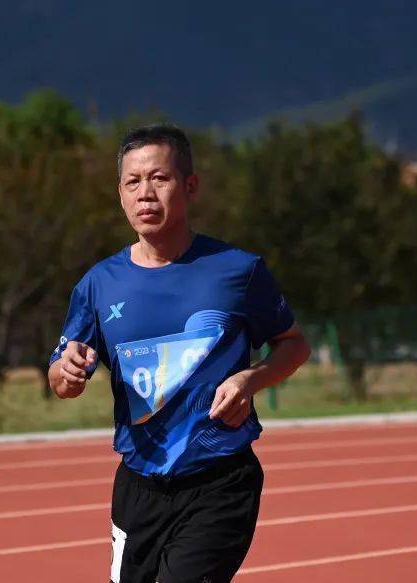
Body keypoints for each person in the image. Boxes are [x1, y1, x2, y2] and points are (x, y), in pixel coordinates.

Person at [48, 124, 310, 583]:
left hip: (219, 481)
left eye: (159, 178)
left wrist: (251, 379)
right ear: (120, 193)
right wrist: (65, 374)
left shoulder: (237, 271)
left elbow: (294, 345)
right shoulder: (98, 284)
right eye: (133, 182)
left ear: (189, 186)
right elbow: (61, 376)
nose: (145, 193)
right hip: (138, 485)